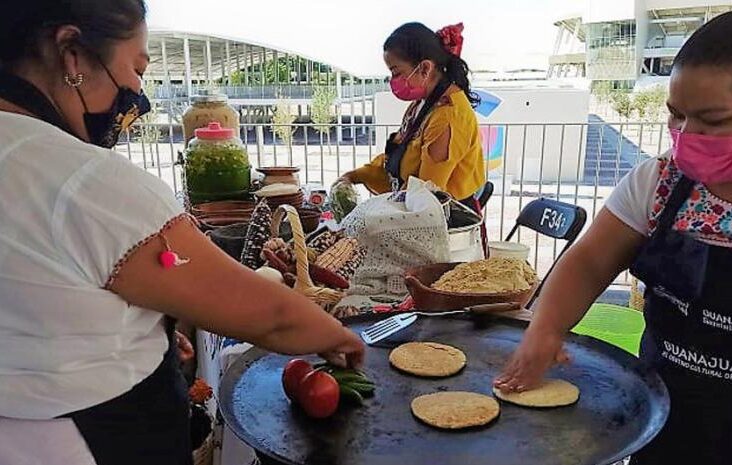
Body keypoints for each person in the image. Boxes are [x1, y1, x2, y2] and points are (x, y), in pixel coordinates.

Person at [0, 2, 364, 464]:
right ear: (72, 53)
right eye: (136, 67)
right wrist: (342, 339)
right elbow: (270, 314)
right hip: (92, 443)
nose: (136, 88)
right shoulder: (84, 182)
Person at [495, 9, 732, 465]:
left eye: (714, 120)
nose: (687, 135)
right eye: (676, 115)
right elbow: (588, 262)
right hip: (665, 412)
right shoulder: (659, 181)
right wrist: (546, 327)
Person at [338, 22, 486, 213]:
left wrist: (375, 213)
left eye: (396, 72)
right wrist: (353, 176)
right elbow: (397, 158)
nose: (393, 81)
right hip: (418, 212)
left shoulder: (448, 116)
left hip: (443, 223)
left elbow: (424, 191)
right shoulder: (420, 105)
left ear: (425, 68)